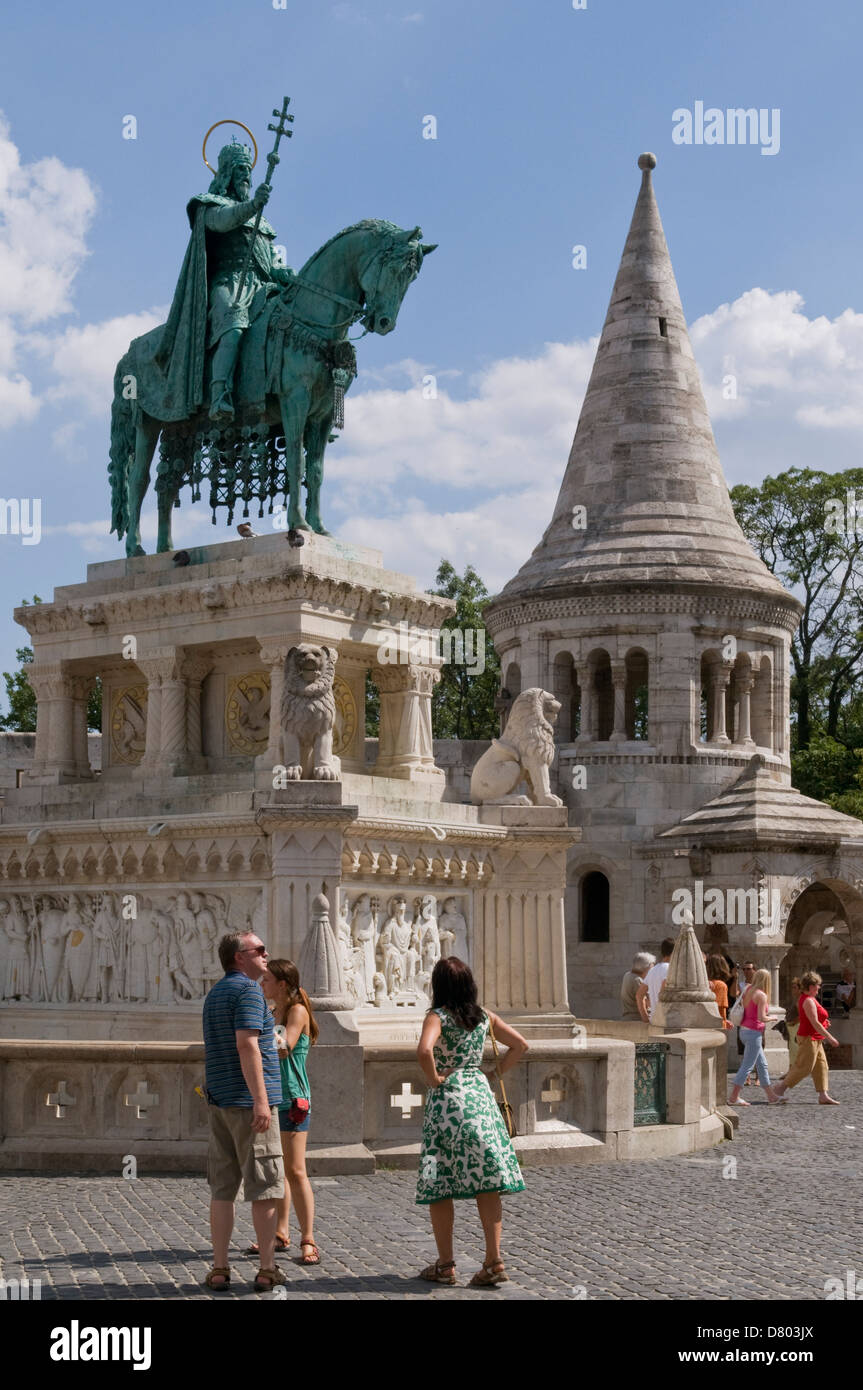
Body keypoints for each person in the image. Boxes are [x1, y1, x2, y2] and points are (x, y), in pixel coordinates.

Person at [415, 957, 527, 1287]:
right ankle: (493, 1260)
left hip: (447, 1105)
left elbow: (424, 1050)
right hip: (480, 1099)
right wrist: (493, 1073)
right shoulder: (484, 1017)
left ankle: (446, 1264)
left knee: (438, 1182)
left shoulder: (437, 1017)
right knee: (488, 1181)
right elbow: (520, 1045)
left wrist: (434, 1077)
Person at [202, 930, 285, 1292]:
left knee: (222, 1188)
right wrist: (261, 1100)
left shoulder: (215, 993)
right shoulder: (249, 990)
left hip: (219, 1101)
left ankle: (219, 1267)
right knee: (265, 1186)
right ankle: (267, 1268)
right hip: (248, 1104)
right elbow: (247, 1045)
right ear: (240, 957)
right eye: (259, 950)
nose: (266, 956)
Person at [257, 958, 321, 1265]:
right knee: (277, 1171)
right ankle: (280, 1233)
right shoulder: (272, 1012)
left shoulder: (297, 1011)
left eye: (266, 980)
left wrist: (257, 1035)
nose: (261, 984)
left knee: (296, 1171)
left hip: (294, 1099)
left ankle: (307, 1238)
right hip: (273, 1098)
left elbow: (286, 1047)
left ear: (282, 984)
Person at [773, 973, 841, 1105]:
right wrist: (830, 1037)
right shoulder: (808, 1000)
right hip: (808, 1038)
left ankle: (823, 1095)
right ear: (811, 987)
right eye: (817, 985)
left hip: (815, 1037)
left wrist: (824, 1022)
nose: (819, 988)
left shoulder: (810, 998)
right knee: (803, 1067)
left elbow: (815, 1020)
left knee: (821, 1065)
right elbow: (814, 1022)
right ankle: (779, 1089)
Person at [728, 968, 785, 1106]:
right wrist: (773, 1018)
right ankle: (734, 1097)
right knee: (747, 1066)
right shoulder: (761, 995)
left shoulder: (748, 989)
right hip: (754, 1033)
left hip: (744, 1031)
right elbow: (761, 1017)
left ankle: (771, 1096)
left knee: (762, 1064)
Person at [637, 938, 674, 1022]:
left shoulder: (652, 970)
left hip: (654, 1020)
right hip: (667, 1020)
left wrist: (645, 1018)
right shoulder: (671, 969)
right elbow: (663, 992)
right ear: (674, 953)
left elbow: (639, 995)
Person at [620, 952, 655, 1021]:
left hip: (628, 1018)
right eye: (651, 967)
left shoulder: (627, 975)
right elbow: (645, 1002)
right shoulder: (637, 980)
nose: (653, 971)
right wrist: (646, 1019)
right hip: (637, 1019)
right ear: (646, 967)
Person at [706, 954, 733, 1029]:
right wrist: (723, 1021)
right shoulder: (721, 985)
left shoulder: (706, 983)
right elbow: (718, 1009)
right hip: (717, 1027)